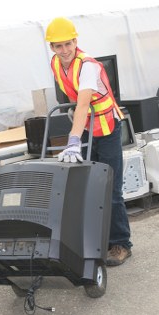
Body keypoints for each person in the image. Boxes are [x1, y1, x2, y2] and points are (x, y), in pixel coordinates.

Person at [45, 17, 132, 266]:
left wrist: (73, 140)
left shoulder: (88, 66)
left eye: (68, 44)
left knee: (111, 188)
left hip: (106, 128)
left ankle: (122, 244)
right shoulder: (56, 63)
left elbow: (84, 103)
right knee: (88, 187)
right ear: (51, 47)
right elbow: (73, 98)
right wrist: (76, 123)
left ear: (76, 41)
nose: (64, 50)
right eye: (58, 46)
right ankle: (98, 242)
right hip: (86, 126)